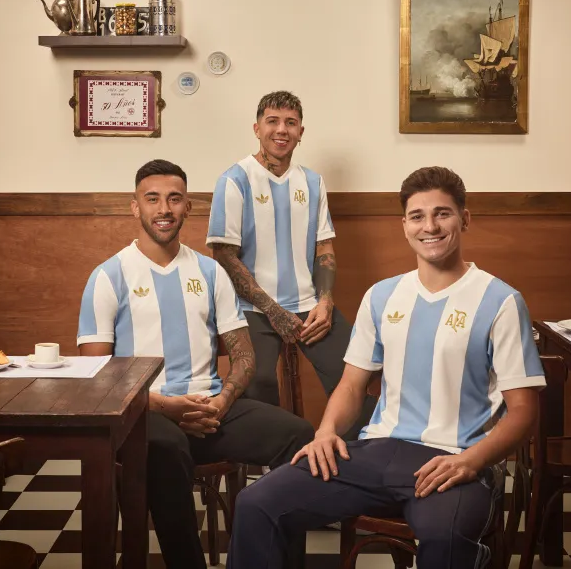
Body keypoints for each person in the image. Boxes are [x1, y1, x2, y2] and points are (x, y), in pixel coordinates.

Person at [227, 166, 546, 569]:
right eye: (417, 216)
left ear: (464, 219)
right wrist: (326, 432)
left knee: (444, 538)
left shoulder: (500, 300)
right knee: (257, 503)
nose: (429, 226)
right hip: (377, 451)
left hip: (454, 459)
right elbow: (351, 385)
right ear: (405, 225)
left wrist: (471, 462)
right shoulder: (382, 295)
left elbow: (523, 411)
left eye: (442, 213)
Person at [78, 159, 314, 569]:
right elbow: (98, 377)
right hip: (145, 412)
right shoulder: (108, 275)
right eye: (152, 199)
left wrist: (222, 401)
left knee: (299, 436)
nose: (164, 208)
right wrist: (165, 407)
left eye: (174, 199)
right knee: (168, 449)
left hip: (210, 407)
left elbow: (243, 355)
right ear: (135, 207)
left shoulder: (210, 272)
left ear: (188, 206)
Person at [207, 90, 376, 438]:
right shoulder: (234, 179)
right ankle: (272, 471)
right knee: (259, 382)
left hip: (308, 306)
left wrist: (325, 302)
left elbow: (324, 246)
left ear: (301, 132)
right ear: (257, 128)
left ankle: (355, 455)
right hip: (251, 309)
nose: (281, 130)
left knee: (359, 370)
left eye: (290, 123)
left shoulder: (312, 182)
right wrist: (273, 310)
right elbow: (223, 255)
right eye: (272, 121)